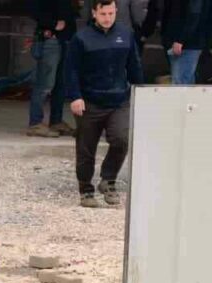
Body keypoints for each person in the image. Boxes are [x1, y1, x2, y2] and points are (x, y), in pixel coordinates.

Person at [66, 0, 144, 208]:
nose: (107, 18)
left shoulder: (126, 34)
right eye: (103, 14)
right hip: (89, 102)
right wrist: (75, 96)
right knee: (86, 148)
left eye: (111, 13)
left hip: (118, 100)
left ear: (116, 11)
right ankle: (86, 189)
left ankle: (108, 180)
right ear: (94, 13)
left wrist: (141, 92)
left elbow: (134, 66)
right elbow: (71, 70)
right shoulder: (81, 38)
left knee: (122, 139)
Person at [28, 0, 79, 137]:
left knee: (60, 84)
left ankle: (56, 121)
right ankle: (35, 123)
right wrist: (52, 24)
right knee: (45, 84)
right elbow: (32, 8)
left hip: (65, 38)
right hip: (51, 38)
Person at [143, 0, 208, 84]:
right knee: (183, 79)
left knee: (181, 81)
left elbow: (194, 14)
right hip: (179, 41)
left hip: (186, 43)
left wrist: (180, 40)